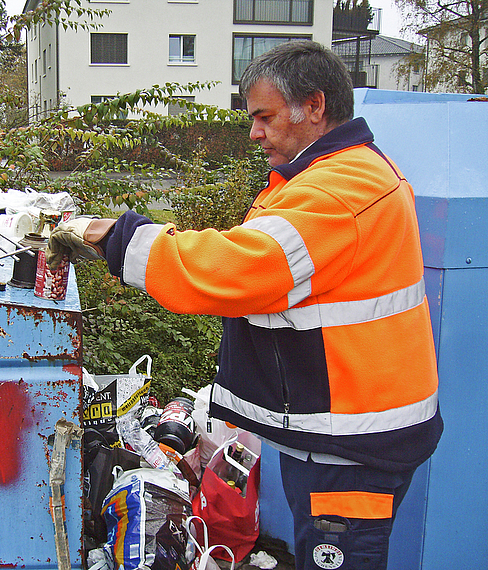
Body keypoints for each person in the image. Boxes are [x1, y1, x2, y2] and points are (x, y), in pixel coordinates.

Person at [47, 40, 442, 570]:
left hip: (350, 449)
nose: (254, 132)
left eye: (264, 116)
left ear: (315, 106)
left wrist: (116, 237)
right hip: (345, 432)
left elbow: (234, 268)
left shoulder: (339, 192)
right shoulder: (336, 175)